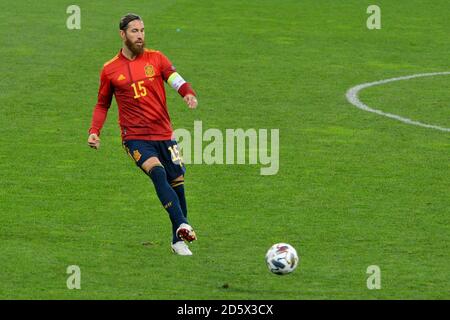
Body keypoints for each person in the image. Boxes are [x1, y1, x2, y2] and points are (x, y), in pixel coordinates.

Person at [87, 13, 198, 256]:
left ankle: (177, 240)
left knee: (177, 183)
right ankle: (182, 224)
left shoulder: (156, 58)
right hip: (135, 137)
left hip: (164, 133)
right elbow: (102, 104)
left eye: (142, 30)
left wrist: (187, 93)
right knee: (157, 171)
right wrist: (94, 132)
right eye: (135, 31)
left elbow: (175, 78)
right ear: (122, 34)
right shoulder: (110, 70)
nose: (140, 36)